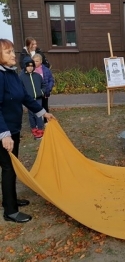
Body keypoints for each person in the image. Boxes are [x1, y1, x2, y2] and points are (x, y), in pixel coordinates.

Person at [0, 39, 55, 223]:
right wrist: (4, 134)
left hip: (13, 128)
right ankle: (10, 211)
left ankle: (11, 199)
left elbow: (25, 97)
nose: (13, 55)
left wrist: (43, 113)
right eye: (8, 52)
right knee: (8, 168)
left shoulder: (11, 74)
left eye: (12, 51)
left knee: (12, 166)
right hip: (3, 132)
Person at [19, 57, 46, 139]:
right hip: (29, 99)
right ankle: (33, 128)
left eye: (31, 66)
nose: (30, 67)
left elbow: (43, 85)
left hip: (38, 98)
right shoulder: (21, 77)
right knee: (31, 114)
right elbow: (20, 88)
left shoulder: (37, 76)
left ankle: (40, 129)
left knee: (39, 113)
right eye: (28, 66)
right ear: (25, 66)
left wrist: (41, 92)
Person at [33, 53, 55, 124]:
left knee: (45, 106)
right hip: (36, 93)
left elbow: (51, 80)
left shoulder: (46, 70)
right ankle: (37, 123)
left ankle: (46, 122)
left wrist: (48, 88)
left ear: (41, 61)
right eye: (34, 61)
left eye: (37, 61)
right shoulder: (31, 70)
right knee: (37, 107)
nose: (35, 63)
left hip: (45, 92)